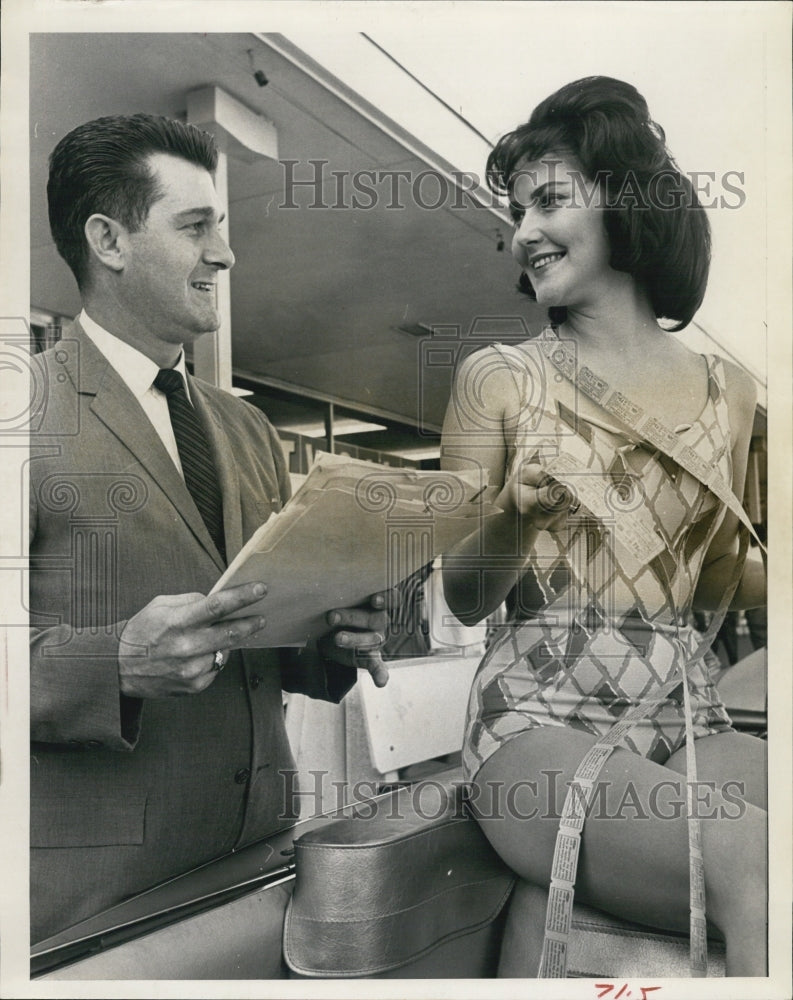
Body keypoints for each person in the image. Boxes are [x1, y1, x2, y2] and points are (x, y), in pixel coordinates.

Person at [30, 113, 391, 943]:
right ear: (108, 240)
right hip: (98, 910)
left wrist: (329, 639)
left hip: (265, 868)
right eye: (196, 226)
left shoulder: (247, 429)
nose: (224, 254)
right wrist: (114, 661)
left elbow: (255, 632)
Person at [440, 77, 767, 977]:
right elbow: (463, 596)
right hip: (533, 725)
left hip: (686, 715)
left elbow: (703, 596)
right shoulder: (496, 379)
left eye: (548, 201)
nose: (523, 232)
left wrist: (728, 546)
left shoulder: (732, 396)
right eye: (516, 211)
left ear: (625, 201)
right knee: (754, 860)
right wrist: (510, 515)